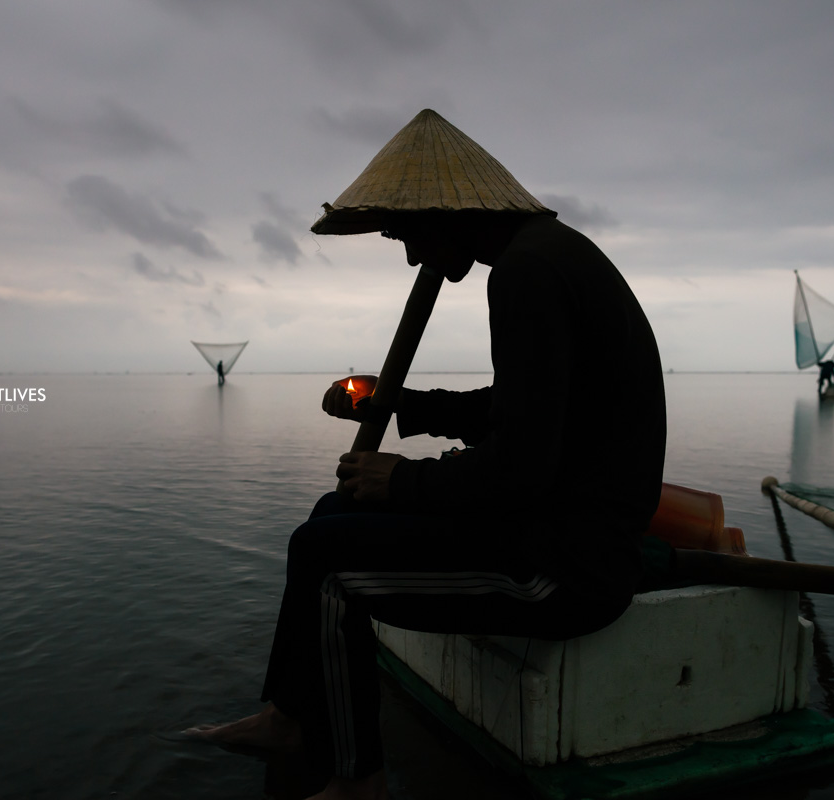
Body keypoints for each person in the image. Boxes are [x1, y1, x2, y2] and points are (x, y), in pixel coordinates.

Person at [185, 110, 667, 800]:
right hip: (547, 527)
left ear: (450, 212)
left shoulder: (527, 274)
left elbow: (520, 469)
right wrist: (395, 403)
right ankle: (290, 716)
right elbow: (509, 411)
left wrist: (404, 480)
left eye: (407, 233)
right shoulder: (544, 254)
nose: (412, 256)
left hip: (568, 566)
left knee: (331, 568)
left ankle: (359, 779)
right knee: (332, 510)